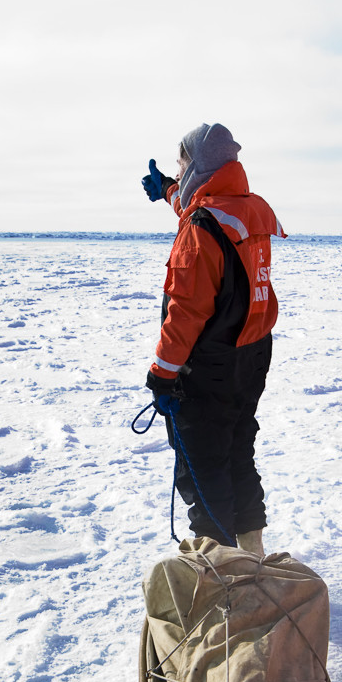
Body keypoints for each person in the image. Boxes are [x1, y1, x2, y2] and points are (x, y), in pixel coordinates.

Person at [140, 123, 285, 555]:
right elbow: (200, 208)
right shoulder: (246, 207)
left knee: (204, 467)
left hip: (209, 364)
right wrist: (168, 191)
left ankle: (222, 572)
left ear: (198, 165)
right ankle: (252, 554)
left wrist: (163, 375)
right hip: (251, 355)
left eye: (181, 164)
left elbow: (186, 311)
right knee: (237, 452)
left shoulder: (201, 228)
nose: (178, 171)